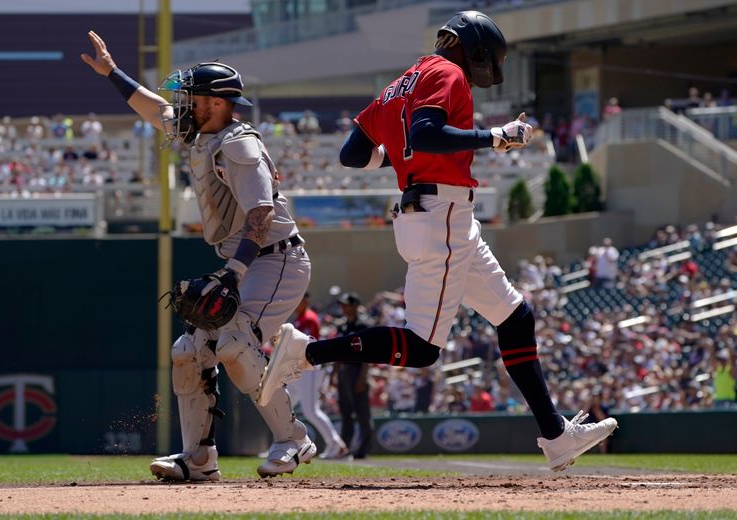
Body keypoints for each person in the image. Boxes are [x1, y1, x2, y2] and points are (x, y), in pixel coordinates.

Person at [258, 11, 617, 471]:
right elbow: (426, 134)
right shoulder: (448, 72)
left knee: (516, 317)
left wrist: (401, 151)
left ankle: (555, 435)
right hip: (442, 215)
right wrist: (495, 136)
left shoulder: (401, 81)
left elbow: (353, 154)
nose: (484, 67)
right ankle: (306, 352)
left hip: (439, 216)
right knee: (423, 348)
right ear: (473, 48)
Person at [82, 31, 316, 480]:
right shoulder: (202, 132)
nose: (184, 103)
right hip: (246, 261)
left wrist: (232, 273)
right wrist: (111, 72)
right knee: (188, 350)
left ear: (217, 103)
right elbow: (155, 109)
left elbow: (262, 214)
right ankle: (199, 460)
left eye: (192, 96)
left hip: (277, 261)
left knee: (233, 343)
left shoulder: (239, 144)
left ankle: (294, 438)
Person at [284, 293, 348, 459]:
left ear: (305, 301)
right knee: (285, 406)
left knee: (311, 410)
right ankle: (282, 446)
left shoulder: (309, 318)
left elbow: (307, 345)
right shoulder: (298, 319)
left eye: (299, 301)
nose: (296, 304)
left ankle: (336, 444)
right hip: (300, 368)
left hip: (310, 367)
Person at [334, 292, 373, 458]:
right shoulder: (342, 326)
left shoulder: (363, 326)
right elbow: (337, 351)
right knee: (346, 412)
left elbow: (368, 355)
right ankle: (345, 447)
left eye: (346, 304)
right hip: (344, 371)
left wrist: (362, 377)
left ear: (355, 306)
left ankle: (363, 449)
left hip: (357, 370)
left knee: (362, 413)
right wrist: (334, 374)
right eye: (342, 304)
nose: (343, 307)